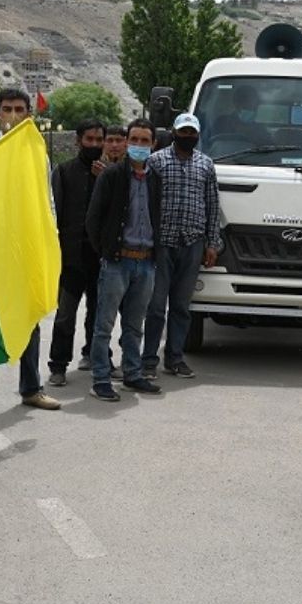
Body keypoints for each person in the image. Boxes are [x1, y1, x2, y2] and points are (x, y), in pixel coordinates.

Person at [0, 89, 60, 418]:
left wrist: (50, 235)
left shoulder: (36, 153)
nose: (13, 115)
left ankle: (31, 389)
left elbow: (44, 198)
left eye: (20, 109)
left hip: (24, 247)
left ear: (29, 113)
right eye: (7, 109)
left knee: (29, 315)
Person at [85, 119, 164, 401]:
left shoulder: (155, 178)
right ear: (127, 141)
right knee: (104, 325)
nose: (139, 145)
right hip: (117, 261)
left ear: (153, 144)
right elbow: (93, 219)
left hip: (146, 262)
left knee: (134, 325)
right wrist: (107, 251)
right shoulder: (112, 176)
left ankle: (132, 373)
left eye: (145, 141)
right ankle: (101, 378)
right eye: (135, 140)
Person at [141, 113, 222, 380]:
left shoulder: (206, 164)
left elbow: (212, 206)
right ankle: (148, 360)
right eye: (183, 131)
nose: (187, 136)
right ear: (174, 132)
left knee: (181, 307)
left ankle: (175, 359)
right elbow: (146, 202)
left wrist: (212, 243)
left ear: (198, 135)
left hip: (193, 242)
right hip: (162, 243)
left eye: (191, 132)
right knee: (155, 307)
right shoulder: (156, 161)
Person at [46, 120, 105, 387]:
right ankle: (58, 365)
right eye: (89, 139)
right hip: (71, 258)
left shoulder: (109, 174)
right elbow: (54, 213)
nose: (94, 144)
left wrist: (103, 179)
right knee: (65, 315)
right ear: (78, 141)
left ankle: (93, 355)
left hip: (100, 258)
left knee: (98, 313)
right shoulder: (64, 171)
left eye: (98, 140)